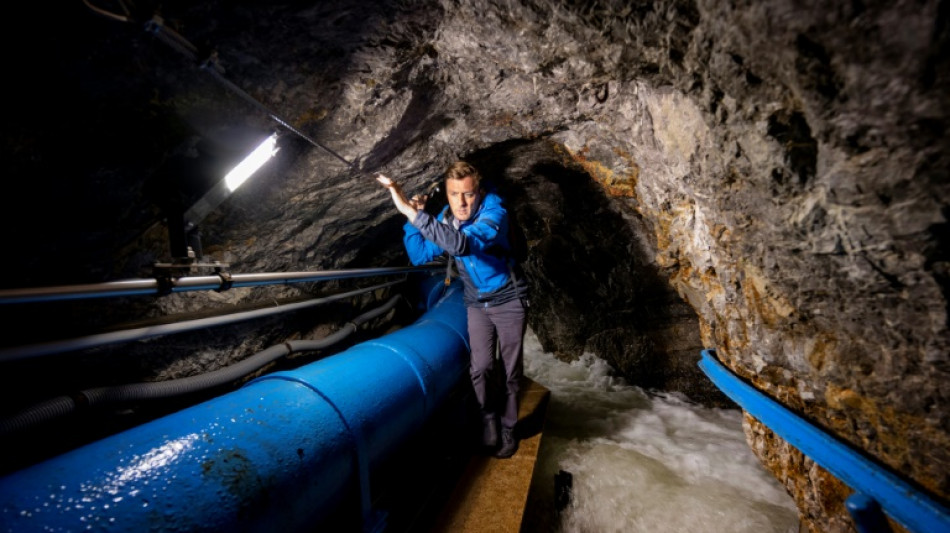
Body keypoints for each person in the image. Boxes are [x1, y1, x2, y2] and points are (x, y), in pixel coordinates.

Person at [377, 161, 528, 458]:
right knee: (481, 367)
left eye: (468, 195)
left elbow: (461, 245)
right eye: (454, 194)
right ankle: (488, 418)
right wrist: (413, 221)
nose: (461, 202)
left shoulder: (494, 214)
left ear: (480, 193)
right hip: (476, 302)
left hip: (509, 299)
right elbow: (419, 255)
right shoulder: (448, 219)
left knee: (510, 370)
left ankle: (508, 426)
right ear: (446, 194)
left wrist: (412, 212)